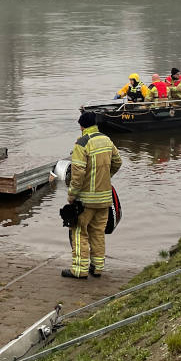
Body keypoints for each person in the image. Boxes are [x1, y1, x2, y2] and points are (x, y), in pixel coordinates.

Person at [63, 110, 122, 278]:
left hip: (85, 200)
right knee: (97, 232)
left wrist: (72, 195)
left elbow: (78, 173)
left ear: (82, 126)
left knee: (79, 231)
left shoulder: (82, 143)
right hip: (104, 198)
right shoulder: (106, 139)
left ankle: (79, 270)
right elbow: (118, 162)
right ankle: (97, 267)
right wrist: (106, 176)